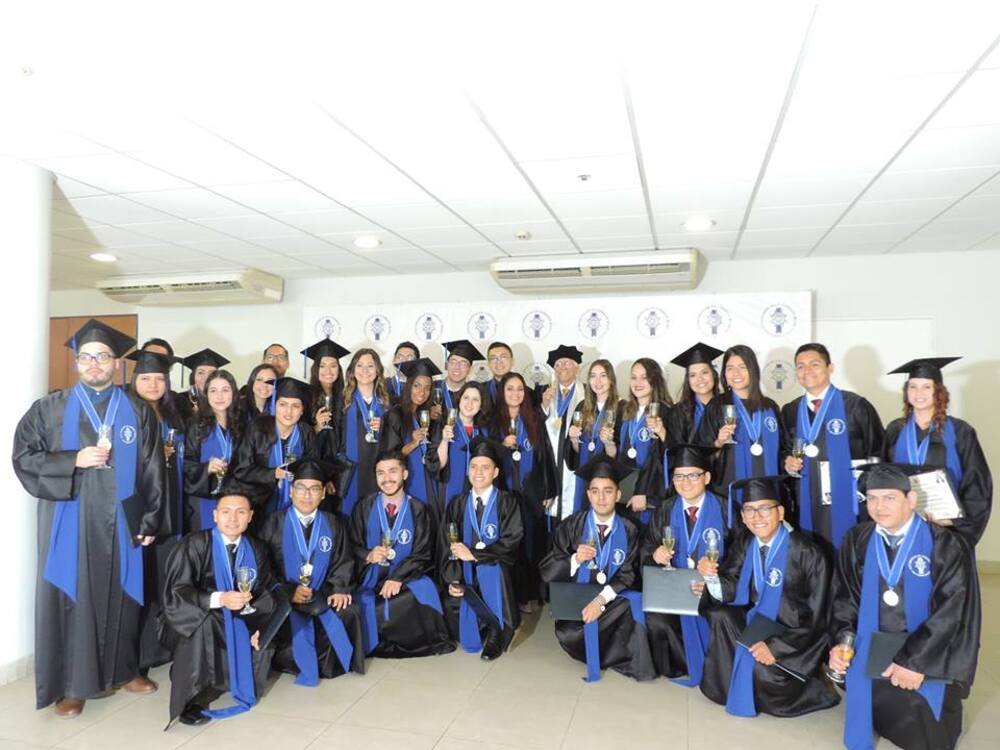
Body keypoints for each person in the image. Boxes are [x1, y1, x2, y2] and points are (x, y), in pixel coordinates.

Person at [12, 319, 166, 716]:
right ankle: (72, 685)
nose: (94, 364)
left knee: (124, 593)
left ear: (116, 363)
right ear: (77, 362)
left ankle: (125, 670)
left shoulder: (137, 411)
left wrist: (151, 518)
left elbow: (154, 468)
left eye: (102, 357)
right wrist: (72, 460)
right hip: (70, 518)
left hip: (122, 518)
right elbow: (23, 458)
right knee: (73, 595)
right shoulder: (49, 408)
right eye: (86, 357)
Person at [830, 463, 980, 750]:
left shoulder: (944, 544)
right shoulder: (857, 540)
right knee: (862, 684)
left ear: (911, 499)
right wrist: (840, 642)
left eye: (889, 498)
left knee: (926, 734)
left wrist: (914, 662)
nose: (879, 507)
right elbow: (844, 599)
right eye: (872, 498)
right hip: (873, 647)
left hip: (926, 651)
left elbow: (952, 612)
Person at [698, 476, 839, 718]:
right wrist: (710, 577)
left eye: (764, 508)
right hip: (755, 623)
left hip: (792, 637)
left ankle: (812, 690)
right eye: (749, 510)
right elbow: (731, 588)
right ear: (742, 517)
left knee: (762, 675)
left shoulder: (808, 552)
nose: (757, 517)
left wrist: (776, 647)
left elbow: (819, 617)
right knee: (721, 615)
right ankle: (727, 686)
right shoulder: (745, 542)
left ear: (780, 512)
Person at [160, 485, 286, 726]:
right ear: (215, 515)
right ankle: (192, 699)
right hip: (192, 616)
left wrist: (260, 625)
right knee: (206, 623)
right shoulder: (195, 543)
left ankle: (220, 679)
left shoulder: (256, 549)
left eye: (241, 512)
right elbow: (177, 591)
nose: (233, 518)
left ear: (250, 517)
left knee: (258, 641)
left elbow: (264, 592)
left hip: (238, 617)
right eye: (226, 511)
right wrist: (219, 599)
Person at [539, 456, 655, 682]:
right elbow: (546, 570)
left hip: (612, 601)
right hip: (577, 599)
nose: (601, 498)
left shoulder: (630, 529)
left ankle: (614, 650)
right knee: (568, 635)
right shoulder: (572, 525)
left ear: (618, 495)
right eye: (595, 491)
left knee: (633, 608)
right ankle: (615, 649)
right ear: (588, 494)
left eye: (608, 491)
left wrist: (600, 601)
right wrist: (574, 560)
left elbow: (628, 575)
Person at [257, 459, 365, 684]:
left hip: (322, 593)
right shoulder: (271, 523)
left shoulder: (334, 523)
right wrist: (288, 591)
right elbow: (263, 569)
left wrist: (339, 588)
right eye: (301, 488)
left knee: (348, 610)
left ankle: (331, 663)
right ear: (291, 491)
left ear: (323, 493)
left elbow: (344, 560)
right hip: (284, 597)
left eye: (314, 489)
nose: (307, 495)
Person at [349, 451, 454, 657]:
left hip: (405, 578)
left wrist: (397, 577)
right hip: (370, 578)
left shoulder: (418, 509)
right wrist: (368, 555)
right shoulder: (363, 506)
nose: (386, 478)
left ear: (404, 474)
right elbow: (351, 545)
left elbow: (423, 552)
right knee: (361, 603)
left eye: (392, 471)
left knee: (423, 591)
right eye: (380, 473)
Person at [642, 444, 731, 686]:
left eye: (693, 475)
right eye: (679, 476)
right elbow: (647, 546)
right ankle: (682, 664)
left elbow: (739, 556)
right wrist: (655, 554)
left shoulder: (726, 509)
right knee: (656, 620)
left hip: (713, 591)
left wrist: (715, 578)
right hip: (675, 589)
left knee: (720, 618)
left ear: (707, 477)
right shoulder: (666, 508)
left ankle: (712, 665)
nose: (685, 482)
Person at [781, 343, 885, 551]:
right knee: (813, 557)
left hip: (851, 501)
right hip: (807, 503)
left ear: (830, 368)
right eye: (800, 366)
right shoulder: (790, 411)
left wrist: (865, 492)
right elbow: (783, 450)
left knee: (850, 556)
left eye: (814, 364)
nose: (807, 371)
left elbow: (878, 453)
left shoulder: (855, 405)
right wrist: (787, 462)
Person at [883, 357, 992, 547]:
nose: (919, 393)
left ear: (938, 392)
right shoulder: (895, 430)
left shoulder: (960, 431)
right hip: (904, 524)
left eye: (927, 387)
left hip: (946, 527)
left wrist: (954, 520)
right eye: (913, 386)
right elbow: (883, 476)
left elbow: (976, 481)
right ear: (906, 391)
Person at [127, 348, 187, 673]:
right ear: (135, 380)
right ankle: (134, 660)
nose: (153, 384)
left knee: (162, 580)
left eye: (159, 379)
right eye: (146, 378)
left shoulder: (172, 416)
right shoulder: (127, 414)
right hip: (141, 511)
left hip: (170, 509)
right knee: (139, 583)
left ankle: (156, 650)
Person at [439, 438, 524, 660]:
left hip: (497, 572)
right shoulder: (457, 503)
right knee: (450, 610)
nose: (478, 473)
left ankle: (497, 631)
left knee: (492, 570)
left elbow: (512, 541)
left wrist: (476, 555)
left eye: (485, 467)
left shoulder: (507, 501)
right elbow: (447, 545)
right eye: (473, 467)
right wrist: (452, 579)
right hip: (465, 574)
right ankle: (482, 623)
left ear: (495, 472)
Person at [697, 345, 786, 521]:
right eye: (730, 368)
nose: (735, 373)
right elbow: (700, 454)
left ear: (753, 370)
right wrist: (718, 443)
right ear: (724, 374)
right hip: (729, 493)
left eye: (742, 367)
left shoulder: (770, 407)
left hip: (768, 493)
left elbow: (782, 450)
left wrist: (789, 462)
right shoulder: (716, 406)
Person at [494, 371, 557, 612]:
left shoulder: (533, 419)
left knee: (531, 546)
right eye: (510, 389)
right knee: (510, 547)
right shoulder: (493, 422)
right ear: (502, 392)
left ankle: (529, 595)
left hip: (530, 494)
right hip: (504, 494)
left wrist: (548, 489)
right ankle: (510, 596)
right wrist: (502, 446)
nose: (515, 393)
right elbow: (487, 455)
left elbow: (545, 456)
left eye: (520, 389)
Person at [234, 377, 316, 515]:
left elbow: (312, 467)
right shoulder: (257, 429)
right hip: (259, 505)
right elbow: (241, 470)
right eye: (283, 404)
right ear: (274, 405)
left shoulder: (306, 432)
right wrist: (273, 474)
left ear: (302, 410)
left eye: (296, 406)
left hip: (296, 505)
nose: (289, 412)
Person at [379, 357, 442, 512]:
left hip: (427, 478)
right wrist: (413, 443)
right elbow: (389, 456)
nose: (422, 392)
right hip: (408, 481)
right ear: (408, 386)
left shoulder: (424, 415)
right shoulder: (395, 415)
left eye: (427, 388)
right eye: (417, 386)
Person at [617, 357, 674, 525]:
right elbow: (619, 453)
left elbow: (663, 456)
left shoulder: (665, 412)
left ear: (654, 380)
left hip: (649, 495)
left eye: (644, 377)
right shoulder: (626, 411)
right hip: (626, 490)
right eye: (633, 377)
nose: (637, 383)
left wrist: (644, 493)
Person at [184, 369, 242, 532]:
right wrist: (206, 468)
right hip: (203, 499)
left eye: (225, 390)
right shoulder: (195, 425)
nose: (219, 396)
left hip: (234, 499)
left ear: (233, 393)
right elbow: (184, 463)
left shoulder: (242, 424)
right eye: (213, 391)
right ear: (206, 394)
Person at [337, 349, 390, 518]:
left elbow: (394, 441)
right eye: (359, 365)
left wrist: (384, 427)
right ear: (352, 370)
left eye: (370, 366)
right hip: (350, 472)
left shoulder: (387, 404)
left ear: (378, 371)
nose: (365, 370)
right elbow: (336, 440)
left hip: (378, 470)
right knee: (350, 517)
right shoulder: (342, 402)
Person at [566, 359, 620, 515]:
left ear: (611, 379)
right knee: (582, 516)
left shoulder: (621, 408)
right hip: (583, 475)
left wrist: (608, 442)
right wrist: (574, 439)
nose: (598, 381)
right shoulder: (582, 407)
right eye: (593, 376)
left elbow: (617, 454)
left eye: (603, 376)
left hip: (606, 476)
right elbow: (577, 451)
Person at [539, 344, 585, 527]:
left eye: (566, 363)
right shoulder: (544, 392)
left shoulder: (587, 393)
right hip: (550, 460)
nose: (561, 368)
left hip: (573, 460)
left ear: (577, 368)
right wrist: (544, 405)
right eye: (557, 365)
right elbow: (537, 426)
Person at [436, 381, 490, 520]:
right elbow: (438, 465)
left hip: (477, 489)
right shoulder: (444, 424)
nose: (469, 403)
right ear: (459, 399)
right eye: (466, 398)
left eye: (475, 399)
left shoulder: (484, 431)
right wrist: (444, 440)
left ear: (481, 405)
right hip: (449, 489)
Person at [301, 338, 349, 460]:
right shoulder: (305, 397)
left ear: (339, 369)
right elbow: (297, 435)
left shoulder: (346, 397)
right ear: (316, 369)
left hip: (342, 461)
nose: (328, 371)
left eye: (333, 366)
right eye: (322, 366)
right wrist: (317, 427)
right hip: (314, 461)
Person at [667, 342, 723, 443]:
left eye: (704, 372)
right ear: (688, 380)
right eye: (693, 375)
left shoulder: (727, 407)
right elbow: (676, 448)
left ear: (714, 375)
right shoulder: (677, 413)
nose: (700, 379)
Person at [433, 339, 485, 421]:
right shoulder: (432, 388)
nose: (457, 367)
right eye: (453, 362)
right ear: (446, 365)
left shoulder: (475, 393)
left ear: (470, 369)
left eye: (463, 363)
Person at [177, 348, 230, 424]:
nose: (206, 378)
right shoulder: (181, 401)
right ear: (193, 377)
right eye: (200, 373)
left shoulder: (224, 401)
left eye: (211, 373)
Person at [238, 363, 277, 432]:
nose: (264, 385)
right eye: (259, 379)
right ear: (252, 382)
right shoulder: (238, 407)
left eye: (270, 381)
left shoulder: (278, 409)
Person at [485, 341, 515, 407]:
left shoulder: (527, 392)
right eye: (493, 358)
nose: (499, 362)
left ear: (512, 361)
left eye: (503, 357)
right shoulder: (480, 390)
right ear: (488, 364)